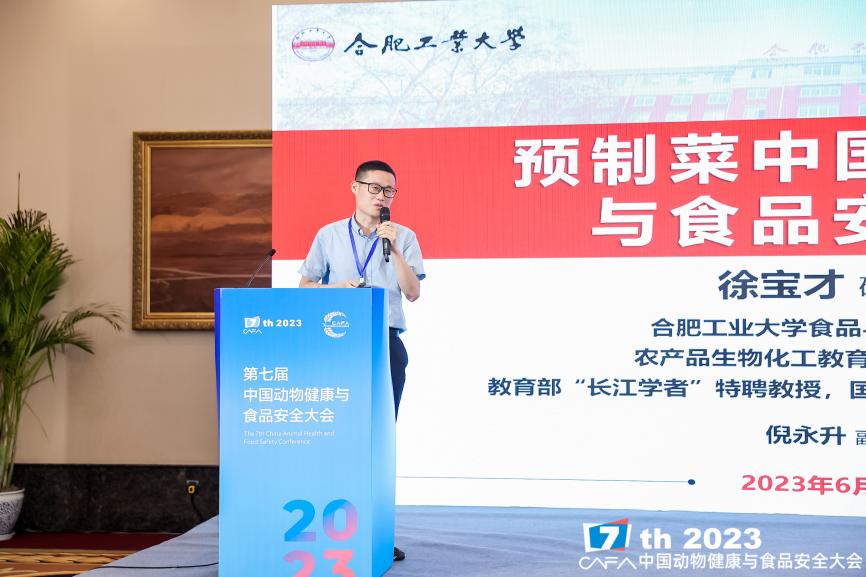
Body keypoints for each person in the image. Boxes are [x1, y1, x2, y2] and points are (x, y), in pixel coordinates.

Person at [298, 160, 424, 562]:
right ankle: (330, 529)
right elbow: (304, 285)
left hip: (384, 343)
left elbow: (413, 292)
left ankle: (376, 533)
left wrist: (394, 250)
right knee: (337, 437)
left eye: (389, 191)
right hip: (337, 344)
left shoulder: (403, 236)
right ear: (355, 187)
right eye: (374, 188)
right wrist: (336, 288)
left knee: (377, 441)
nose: (382, 197)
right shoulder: (329, 235)